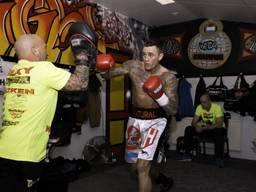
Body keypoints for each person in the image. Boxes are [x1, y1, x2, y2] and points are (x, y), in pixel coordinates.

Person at [0, 21, 99, 192]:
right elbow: (80, 84)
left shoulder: (14, 72)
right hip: (27, 154)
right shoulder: (44, 69)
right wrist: (83, 56)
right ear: (36, 51)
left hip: (4, 149)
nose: (47, 51)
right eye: (44, 47)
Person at [96, 40, 178, 192]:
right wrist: (102, 68)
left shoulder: (168, 77)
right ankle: (162, 179)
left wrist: (159, 95)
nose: (146, 58)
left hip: (156, 122)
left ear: (160, 56)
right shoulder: (133, 66)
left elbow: (173, 109)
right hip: (134, 121)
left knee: (142, 166)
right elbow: (109, 75)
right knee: (135, 167)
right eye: (144, 54)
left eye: (151, 55)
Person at [179, 93, 226, 168]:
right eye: (201, 102)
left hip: (216, 129)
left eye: (204, 102)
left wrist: (205, 128)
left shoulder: (217, 107)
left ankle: (219, 158)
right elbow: (193, 122)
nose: (202, 104)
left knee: (219, 131)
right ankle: (187, 154)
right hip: (205, 129)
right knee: (189, 129)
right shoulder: (199, 107)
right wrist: (197, 126)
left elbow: (219, 124)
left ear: (209, 101)